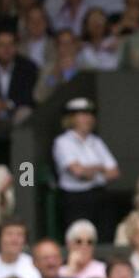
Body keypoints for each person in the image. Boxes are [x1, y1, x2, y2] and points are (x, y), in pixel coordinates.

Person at [52, 96, 120, 237]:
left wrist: (89, 170)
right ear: (71, 118)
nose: (87, 119)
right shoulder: (63, 142)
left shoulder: (96, 141)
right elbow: (78, 172)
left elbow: (115, 172)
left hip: (99, 194)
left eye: (89, 115)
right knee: (78, 236)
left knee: (105, 234)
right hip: (75, 199)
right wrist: (100, 168)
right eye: (82, 115)